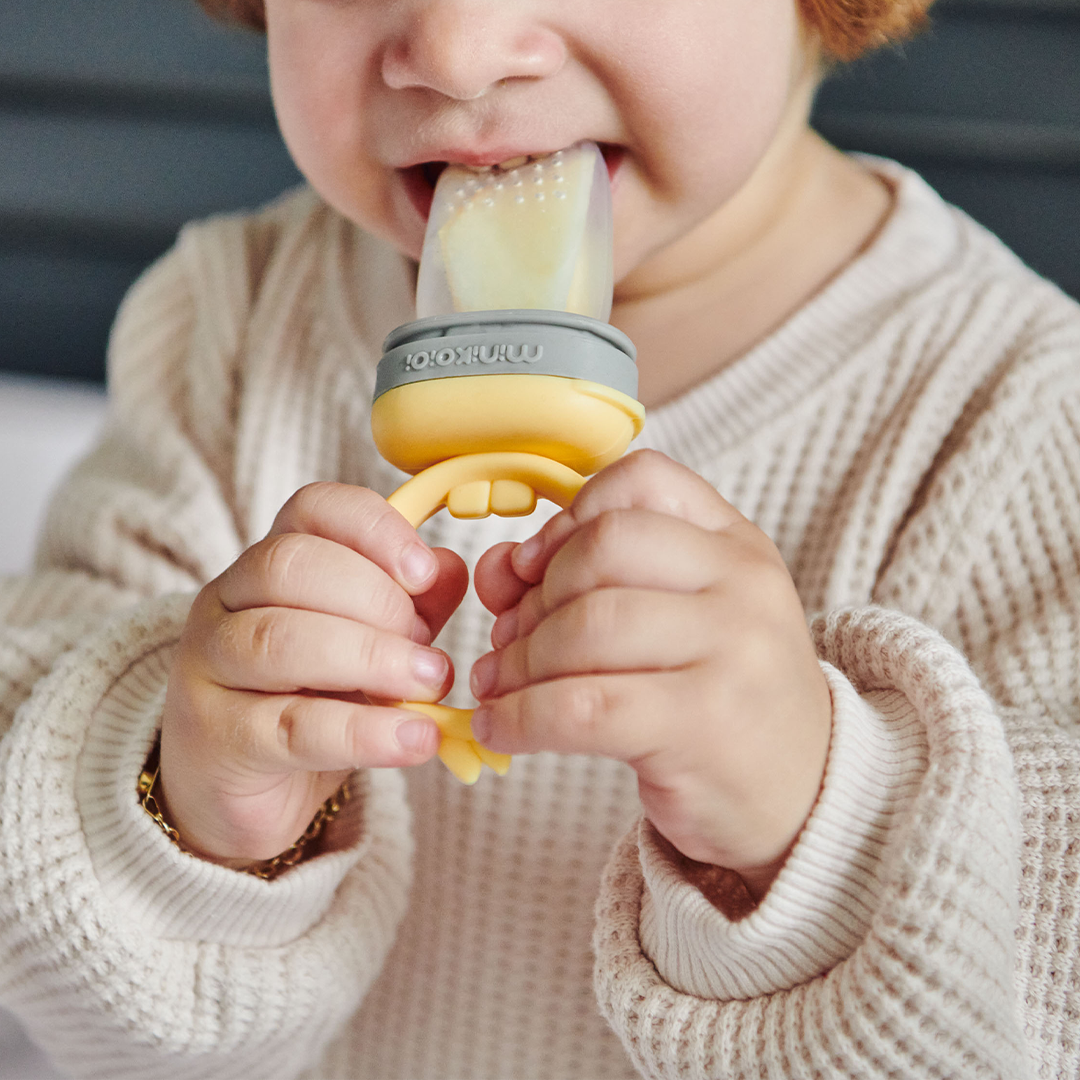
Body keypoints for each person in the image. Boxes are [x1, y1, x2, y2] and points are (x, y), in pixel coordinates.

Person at [1, 0, 1077, 1075]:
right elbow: (55, 948)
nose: (457, 52)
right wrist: (182, 806)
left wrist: (813, 827)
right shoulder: (226, 329)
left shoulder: (1016, 417)